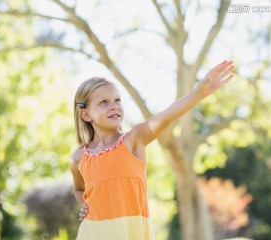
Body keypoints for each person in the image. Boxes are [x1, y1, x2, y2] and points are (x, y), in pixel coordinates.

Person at [70, 60, 234, 240]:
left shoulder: (134, 140)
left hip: (133, 233)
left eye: (117, 100)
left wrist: (199, 93)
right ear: (85, 114)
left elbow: (165, 116)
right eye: (104, 102)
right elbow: (79, 189)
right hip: (94, 234)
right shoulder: (79, 157)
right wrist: (84, 204)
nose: (114, 106)